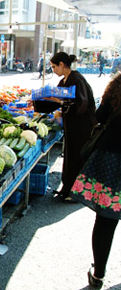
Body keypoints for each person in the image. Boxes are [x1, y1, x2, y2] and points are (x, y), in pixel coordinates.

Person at [70, 74, 121, 289]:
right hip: (111, 161)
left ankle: (98, 275)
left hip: (111, 161)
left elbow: (99, 116)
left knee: (105, 221)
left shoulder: (117, 88)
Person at [33, 52, 97, 202]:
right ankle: (67, 189)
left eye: (54, 67)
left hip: (82, 126)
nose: (53, 70)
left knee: (78, 158)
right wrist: (36, 102)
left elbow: (80, 106)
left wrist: (61, 103)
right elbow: (54, 101)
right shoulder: (64, 81)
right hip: (72, 126)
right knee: (70, 157)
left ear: (62, 64)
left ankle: (77, 194)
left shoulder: (77, 80)